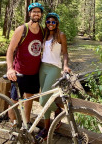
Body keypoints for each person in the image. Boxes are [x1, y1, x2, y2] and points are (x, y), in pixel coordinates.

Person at [6, 2, 45, 126]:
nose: (36, 14)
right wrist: (10, 68)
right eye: (34, 11)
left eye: (38, 12)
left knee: (29, 99)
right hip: (19, 73)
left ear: (41, 14)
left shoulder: (42, 31)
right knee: (14, 100)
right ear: (29, 13)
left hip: (34, 73)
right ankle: (13, 125)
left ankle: (27, 123)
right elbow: (10, 50)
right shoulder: (22, 29)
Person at [35, 12, 71, 142]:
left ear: (57, 23)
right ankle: (46, 128)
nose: (50, 24)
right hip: (42, 68)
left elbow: (65, 53)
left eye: (53, 22)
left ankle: (58, 112)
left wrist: (65, 66)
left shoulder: (61, 35)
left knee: (43, 100)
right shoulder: (44, 35)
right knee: (46, 98)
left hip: (54, 68)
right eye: (48, 22)